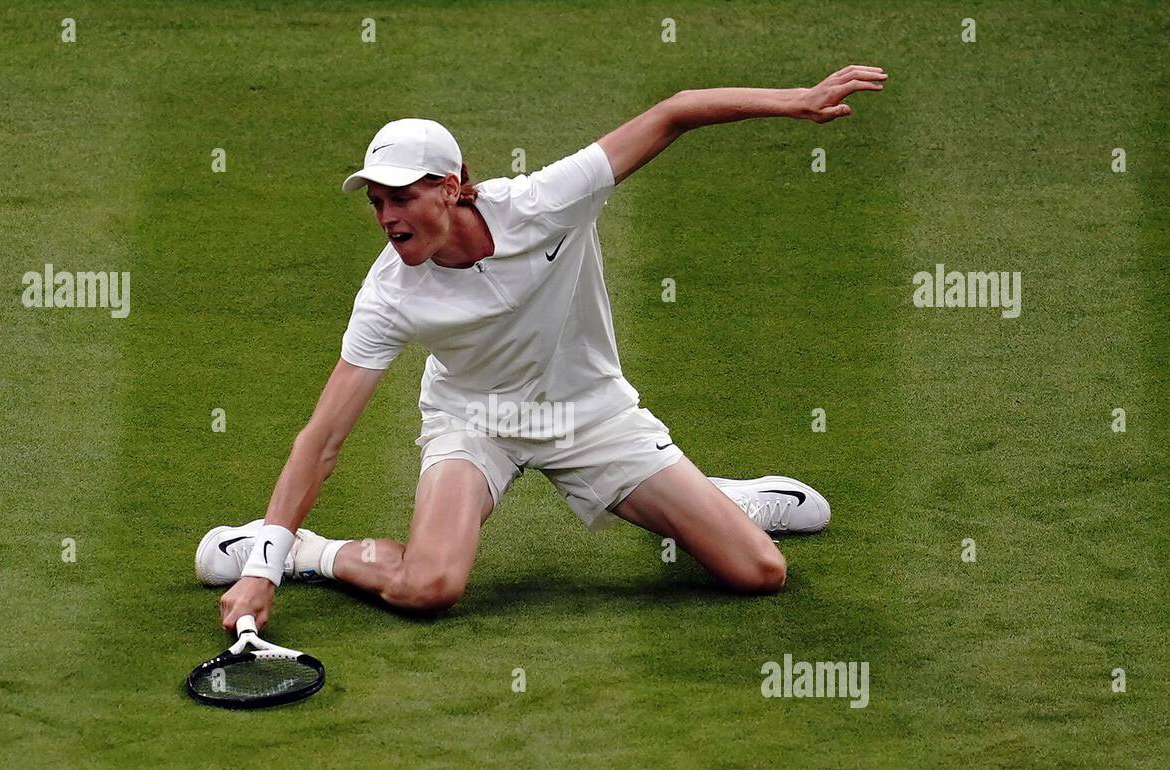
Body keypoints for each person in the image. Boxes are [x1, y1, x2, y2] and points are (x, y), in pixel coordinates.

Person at [198, 65, 888, 630]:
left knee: (760, 572)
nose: (386, 218)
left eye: (401, 198)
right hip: (476, 421)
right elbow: (323, 437)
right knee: (430, 585)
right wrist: (265, 562)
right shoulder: (388, 295)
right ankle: (311, 555)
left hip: (588, 413)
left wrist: (795, 101)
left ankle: (722, 503)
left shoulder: (545, 202)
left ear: (448, 188)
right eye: (376, 201)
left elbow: (674, 110)